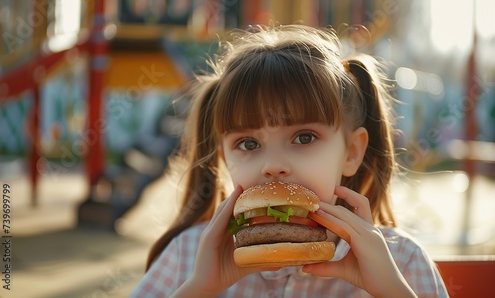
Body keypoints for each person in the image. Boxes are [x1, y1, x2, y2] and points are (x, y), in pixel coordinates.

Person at [131, 24, 448, 297]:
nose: (273, 164)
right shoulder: (187, 257)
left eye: (304, 137)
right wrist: (199, 289)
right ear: (223, 157)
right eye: (248, 143)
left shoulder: (402, 262)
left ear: (351, 152)